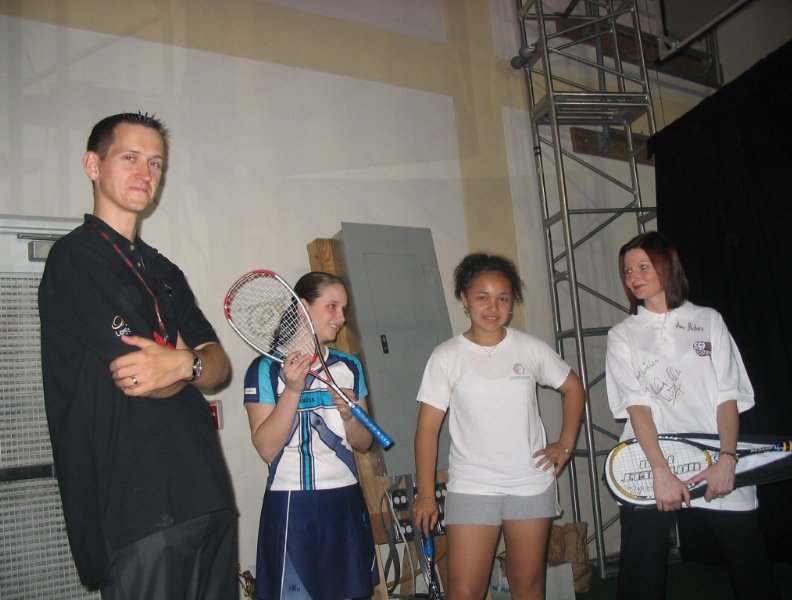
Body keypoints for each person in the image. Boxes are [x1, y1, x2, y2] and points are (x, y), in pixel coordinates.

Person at [38, 112, 238, 599]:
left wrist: (185, 363)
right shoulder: (75, 260)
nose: (145, 173)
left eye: (155, 163)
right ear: (93, 165)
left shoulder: (164, 269)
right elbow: (141, 376)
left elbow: (217, 366)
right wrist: (187, 363)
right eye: (129, 157)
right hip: (138, 513)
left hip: (207, 495)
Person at [605, 231, 780, 600]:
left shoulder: (708, 319)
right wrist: (660, 470)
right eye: (627, 271)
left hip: (715, 459)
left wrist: (727, 459)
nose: (634, 277)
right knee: (640, 580)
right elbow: (637, 407)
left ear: (667, 267)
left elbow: (727, 396)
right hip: (649, 464)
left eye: (643, 267)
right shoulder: (622, 335)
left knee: (752, 570)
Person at [412, 253, 585, 600]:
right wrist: (426, 494)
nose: (493, 307)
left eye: (503, 298)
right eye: (482, 297)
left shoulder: (529, 348)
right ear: (464, 299)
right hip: (473, 485)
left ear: (512, 302)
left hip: (530, 483)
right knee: (464, 591)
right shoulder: (447, 356)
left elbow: (573, 388)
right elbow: (427, 429)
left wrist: (564, 445)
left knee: (527, 583)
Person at [243, 271, 379, 600]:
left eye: (344, 308)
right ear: (303, 308)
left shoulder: (350, 366)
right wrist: (292, 390)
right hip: (291, 501)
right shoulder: (264, 369)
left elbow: (363, 443)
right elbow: (266, 448)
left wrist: (349, 416)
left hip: (345, 497)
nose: (341, 318)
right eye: (332, 306)